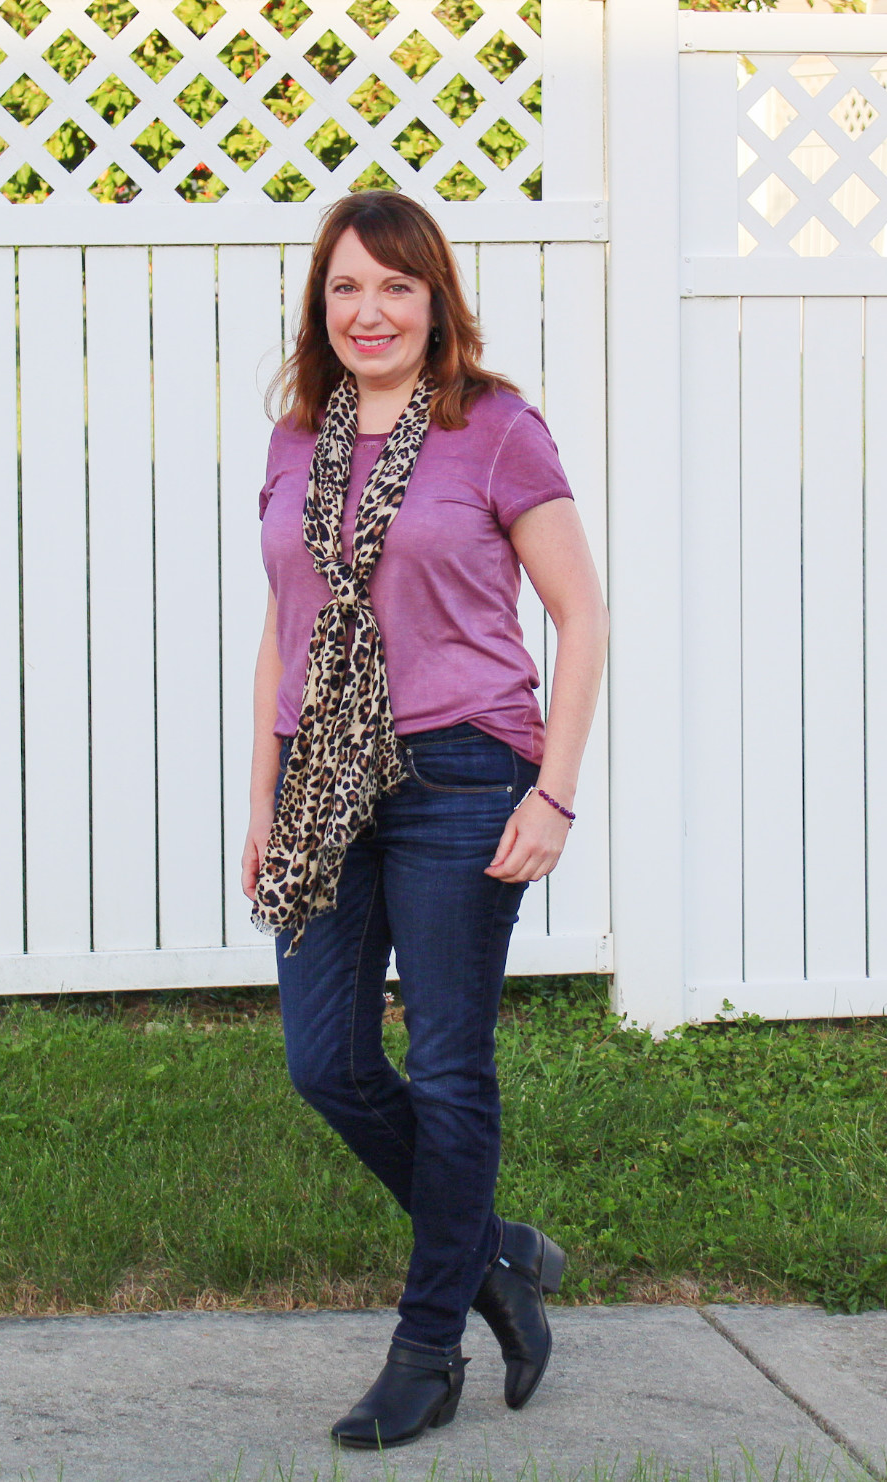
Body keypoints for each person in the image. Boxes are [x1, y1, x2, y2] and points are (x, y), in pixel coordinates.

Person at [241, 189, 608, 1450]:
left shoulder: (496, 430)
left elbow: (582, 617)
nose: (369, 311)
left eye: (394, 285)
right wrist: (265, 797)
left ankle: (427, 1346)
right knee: (324, 1061)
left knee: (449, 1065)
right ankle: (491, 1251)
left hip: (463, 773)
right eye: (345, 287)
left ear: (434, 298)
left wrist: (554, 791)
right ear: (319, 305)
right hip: (321, 782)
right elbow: (282, 631)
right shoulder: (299, 438)